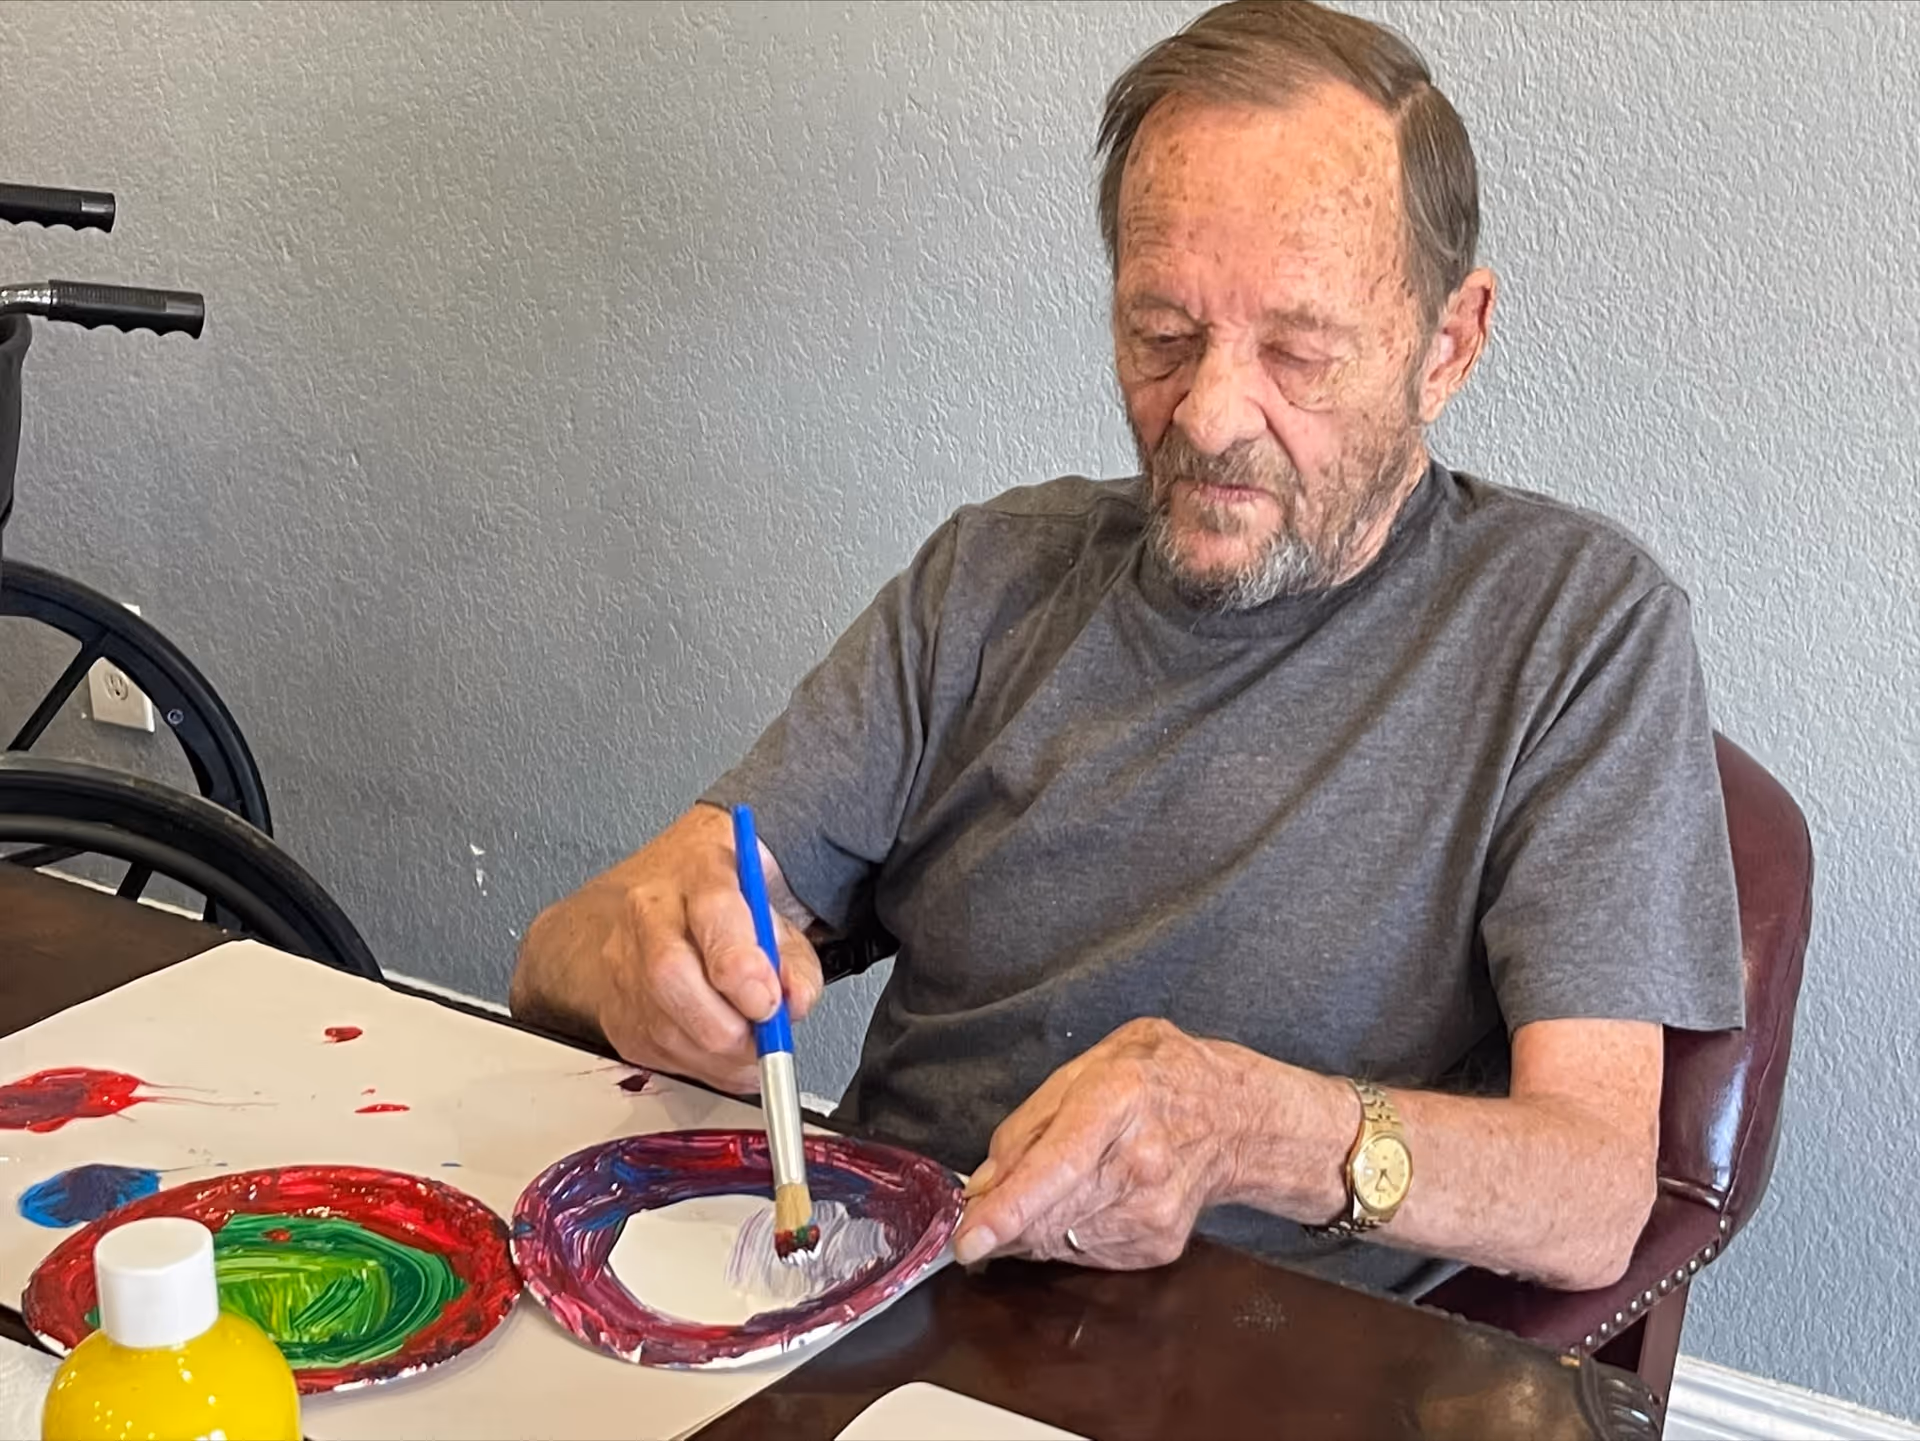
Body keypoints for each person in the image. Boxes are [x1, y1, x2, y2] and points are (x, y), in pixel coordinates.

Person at [511, 0, 1743, 1298]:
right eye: (1162, 335)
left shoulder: (1575, 629)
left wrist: (1250, 1128)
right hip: (878, 1298)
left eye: (1298, 352)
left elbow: (1594, 1196)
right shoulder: (988, 580)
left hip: (1251, 1367)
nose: (1209, 415)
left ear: (1447, 346)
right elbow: (557, 962)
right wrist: (634, 964)